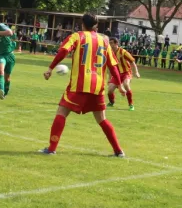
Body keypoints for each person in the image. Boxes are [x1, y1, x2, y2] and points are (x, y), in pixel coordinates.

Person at [39, 13, 127, 156]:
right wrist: (120, 85)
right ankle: (118, 151)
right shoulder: (105, 40)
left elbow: (63, 50)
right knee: (102, 119)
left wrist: (50, 67)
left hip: (79, 85)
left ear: (82, 23)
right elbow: (113, 65)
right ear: (96, 25)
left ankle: (51, 148)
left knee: (61, 113)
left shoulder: (77, 36)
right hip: (98, 87)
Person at [107, 37, 140, 110]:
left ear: (116, 43)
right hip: (116, 74)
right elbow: (110, 66)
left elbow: (132, 61)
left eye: (111, 43)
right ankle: (111, 102)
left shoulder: (123, 52)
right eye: (109, 43)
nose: (110, 45)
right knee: (109, 90)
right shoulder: (110, 53)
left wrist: (136, 72)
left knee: (126, 84)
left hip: (126, 72)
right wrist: (109, 78)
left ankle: (131, 105)